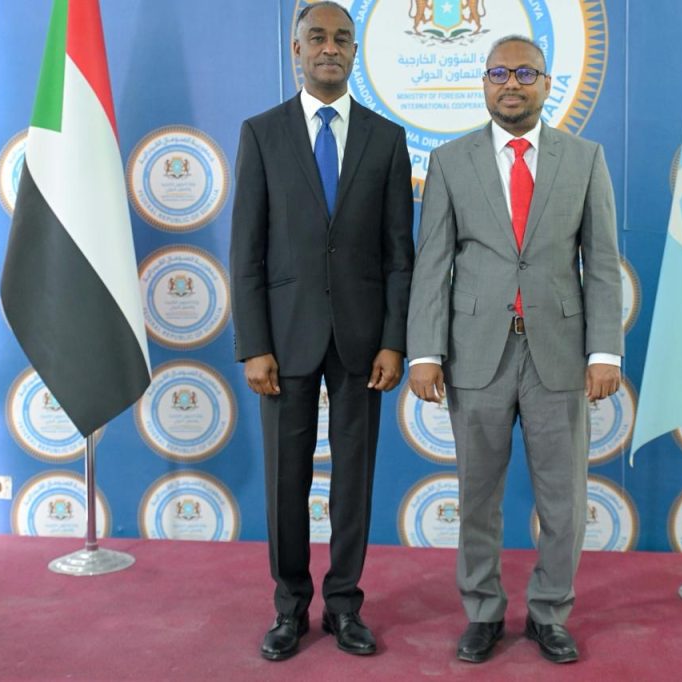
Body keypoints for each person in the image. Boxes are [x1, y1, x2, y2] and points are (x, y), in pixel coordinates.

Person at [406, 35, 623, 664]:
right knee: (477, 496)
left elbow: (601, 262)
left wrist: (604, 352)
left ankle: (550, 613)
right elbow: (433, 263)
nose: (511, 84)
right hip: (476, 355)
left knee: (564, 499)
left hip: (560, 354)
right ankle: (483, 612)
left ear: (546, 84)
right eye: (499, 73)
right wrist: (425, 352)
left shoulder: (585, 159)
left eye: (525, 73)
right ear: (484, 82)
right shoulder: (450, 162)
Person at [230, 1, 413, 662]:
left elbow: (399, 255)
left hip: (364, 341)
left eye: (341, 38)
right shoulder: (261, 133)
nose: (329, 47)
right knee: (287, 482)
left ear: (354, 51)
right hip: (284, 342)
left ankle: (343, 605)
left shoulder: (386, 139)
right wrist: (254, 344)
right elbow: (246, 251)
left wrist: (394, 339)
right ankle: (289, 607)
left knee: (353, 481)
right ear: (296, 49)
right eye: (317, 37)